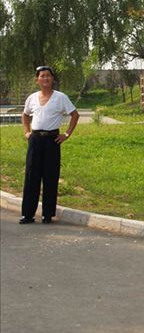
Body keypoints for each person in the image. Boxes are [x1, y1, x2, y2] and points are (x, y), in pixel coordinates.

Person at [19, 66, 79, 224]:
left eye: (48, 76)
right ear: (37, 79)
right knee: (32, 176)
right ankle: (27, 214)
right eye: (42, 76)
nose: (45, 79)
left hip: (52, 140)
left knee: (50, 176)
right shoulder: (32, 98)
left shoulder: (60, 97)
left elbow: (74, 115)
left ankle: (47, 214)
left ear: (52, 79)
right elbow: (25, 115)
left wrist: (66, 134)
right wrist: (27, 132)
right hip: (35, 139)